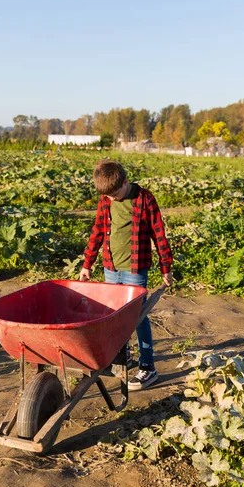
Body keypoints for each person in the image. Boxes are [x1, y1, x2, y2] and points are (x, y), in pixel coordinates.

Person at [80, 160, 173, 391]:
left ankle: (148, 367)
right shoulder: (105, 201)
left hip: (135, 269)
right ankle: (124, 355)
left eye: (115, 194)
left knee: (137, 317)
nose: (112, 198)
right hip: (110, 267)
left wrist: (166, 266)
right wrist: (87, 263)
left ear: (125, 181)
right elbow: (98, 231)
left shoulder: (145, 199)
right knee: (114, 315)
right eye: (108, 196)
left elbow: (158, 233)